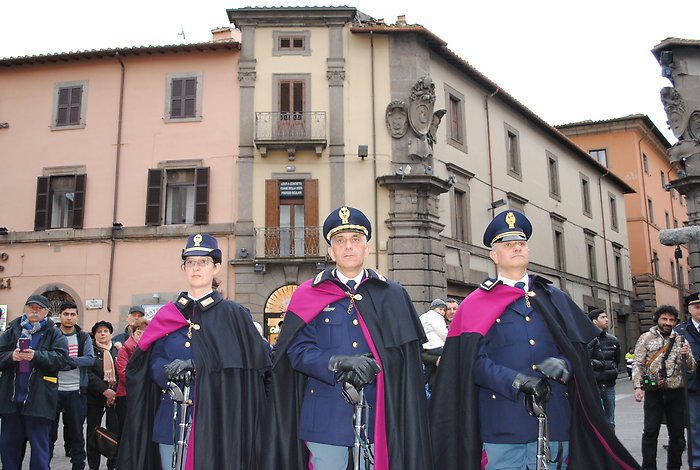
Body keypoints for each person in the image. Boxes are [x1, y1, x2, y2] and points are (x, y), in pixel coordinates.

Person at [430, 210, 640, 470]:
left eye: (521, 244)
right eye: (508, 245)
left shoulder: (554, 298)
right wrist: (515, 381)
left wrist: (565, 363)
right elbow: (470, 361)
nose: (517, 248)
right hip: (504, 420)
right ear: (494, 255)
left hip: (555, 417)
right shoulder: (474, 304)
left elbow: (578, 350)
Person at [264, 206, 432, 470]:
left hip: (379, 414)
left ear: (367, 248)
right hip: (325, 417)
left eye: (356, 239)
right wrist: (337, 363)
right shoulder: (308, 294)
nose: (348, 246)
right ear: (331, 251)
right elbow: (296, 353)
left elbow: (407, 360)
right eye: (340, 241)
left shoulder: (392, 294)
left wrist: (380, 364)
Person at [117, 233, 271, 470]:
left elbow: (253, 366)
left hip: (218, 421)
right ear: (184, 267)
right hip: (171, 419)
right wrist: (169, 373)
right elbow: (150, 360)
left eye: (204, 262)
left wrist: (199, 367)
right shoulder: (167, 315)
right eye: (190, 262)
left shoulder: (234, 315)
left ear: (216, 267)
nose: (196, 268)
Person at [0, 294, 69, 470]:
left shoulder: (54, 333)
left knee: (39, 450)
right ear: (26, 309)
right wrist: (11, 356)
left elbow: (62, 360)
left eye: (38, 308)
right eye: (31, 307)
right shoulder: (12, 330)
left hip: (39, 401)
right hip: (12, 401)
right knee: (9, 449)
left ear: (46, 312)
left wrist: (36, 356)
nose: (34, 311)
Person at [634, 304, 695, 470]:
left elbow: (691, 368)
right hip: (654, 393)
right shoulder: (646, 338)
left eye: (671, 320)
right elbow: (638, 364)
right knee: (650, 432)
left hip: (676, 392)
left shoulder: (681, 339)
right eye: (664, 319)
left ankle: (674, 466)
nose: (668, 323)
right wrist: (638, 387)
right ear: (657, 319)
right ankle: (648, 466)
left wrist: (687, 354)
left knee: (677, 434)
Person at [49, 301, 95, 470]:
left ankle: (78, 466)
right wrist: (74, 362)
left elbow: (89, 359)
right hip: (52, 390)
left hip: (76, 390)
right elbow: (47, 358)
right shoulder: (52, 335)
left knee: (76, 434)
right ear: (60, 316)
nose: (69, 318)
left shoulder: (82, 337)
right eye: (65, 314)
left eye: (72, 314)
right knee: (49, 434)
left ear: (77, 316)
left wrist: (65, 361)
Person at [86, 320, 119, 470]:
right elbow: (88, 374)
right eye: (99, 332)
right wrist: (104, 391)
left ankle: (112, 464)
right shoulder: (90, 350)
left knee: (113, 433)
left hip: (115, 399)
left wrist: (114, 393)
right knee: (93, 433)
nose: (103, 334)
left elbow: (123, 372)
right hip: (94, 397)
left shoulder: (117, 350)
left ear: (110, 333)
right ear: (94, 335)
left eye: (105, 331)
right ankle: (94, 466)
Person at [114, 316, 148, 439]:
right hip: (126, 396)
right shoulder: (125, 350)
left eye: (145, 334)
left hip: (144, 397)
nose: (141, 336)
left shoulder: (150, 350)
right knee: (125, 434)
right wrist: (143, 380)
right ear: (132, 333)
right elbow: (123, 373)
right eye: (138, 333)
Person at [676, 293, 700, 470]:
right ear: (689, 309)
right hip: (693, 385)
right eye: (697, 307)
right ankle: (697, 462)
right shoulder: (681, 331)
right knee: (694, 426)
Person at [588, 308, 621, 429]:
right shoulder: (587, 339)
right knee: (594, 418)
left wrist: (612, 372)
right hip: (593, 384)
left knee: (610, 419)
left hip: (609, 384)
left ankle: (610, 446)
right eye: (602, 317)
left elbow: (617, 359)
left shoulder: (613, 340)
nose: (606, 319)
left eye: (606, 317)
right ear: (594, 321)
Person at [420, 299, 449, 392]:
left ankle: (422, 386)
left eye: (444, 310)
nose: (442, 312)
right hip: (437, 346)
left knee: (428, 369)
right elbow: (442, 332)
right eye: (440, 309)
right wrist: (448, 339)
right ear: (434, 309)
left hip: (427, 347)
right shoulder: (436, 318)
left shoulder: (423, 317)